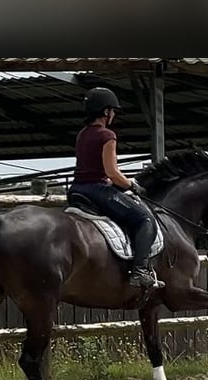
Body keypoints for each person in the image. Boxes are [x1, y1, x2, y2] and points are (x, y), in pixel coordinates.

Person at [68, 87, 165, 290]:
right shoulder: (107, 135)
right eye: (112, 111)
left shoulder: (83, 134)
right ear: (105, 112)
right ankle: (140, 271)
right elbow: (111, 172)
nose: (113, 115)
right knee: (145, 220)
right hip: (97, 191)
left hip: (77, 189)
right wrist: (131, 184)